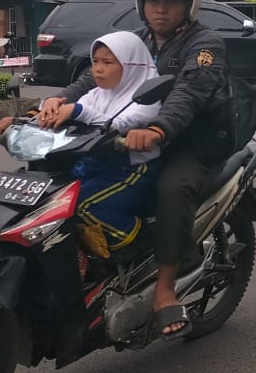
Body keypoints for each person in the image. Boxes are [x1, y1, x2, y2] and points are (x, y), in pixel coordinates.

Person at [0, 0, 232, 340]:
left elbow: (190, 92)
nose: (160, 9)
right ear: (141, 4)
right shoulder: (133, 40)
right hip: (130, 137)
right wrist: (48, 106)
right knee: (63, 179)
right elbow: (93, 78)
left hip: (189, 142)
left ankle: (164, 286)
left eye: (171, 1)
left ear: (189, 5)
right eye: (153, 1)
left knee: (173, 189)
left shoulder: (205, 45)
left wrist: (157, 129)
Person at [36, 31, 163, 257]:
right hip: (93, 164)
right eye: (95, 61)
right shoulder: (96, 94)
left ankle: (143, 244)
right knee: (49, 199)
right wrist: (42, 114)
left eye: (107, 62)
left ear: (131, 65)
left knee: (84, 206)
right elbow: (73, 112)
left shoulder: (148, 98)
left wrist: (77, 110)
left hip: (131, 170)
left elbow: (119, 124)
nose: (98, 69)